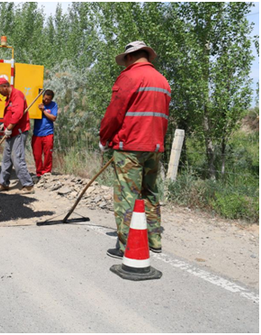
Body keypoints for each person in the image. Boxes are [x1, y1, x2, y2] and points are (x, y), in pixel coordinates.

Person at [99, 41, 171, 259]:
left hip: (130, 147)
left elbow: (114, 113)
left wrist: (104, 138)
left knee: (126, 195)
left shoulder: (130, 77)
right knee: (150, 192)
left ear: (130, 57)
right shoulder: (163, 81)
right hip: (154, 146)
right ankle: (154, 240)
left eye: (125, 61)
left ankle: (125, 246)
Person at [0, 78, 35, 194]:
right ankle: (3, 184)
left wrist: (9, 128)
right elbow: (10, 114)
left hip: (19, 132)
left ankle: (28, 185)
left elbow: (18, 114)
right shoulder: (9, 98)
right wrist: (4, 124)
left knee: (17, 158)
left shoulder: (17, 95)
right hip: (11, 131)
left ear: (5, 86)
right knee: (6, 159)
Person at [31, 89, 58, 179]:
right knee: (37, 155)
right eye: (45, 99)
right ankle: (39, 173)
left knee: (48, 154)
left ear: (51, 99)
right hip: (37, 133)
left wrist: (43, 111)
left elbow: (53, 117)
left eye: (48, 99)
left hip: (48, 133)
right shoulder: (37, 103)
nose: (46, 101)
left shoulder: (53, 105)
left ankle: (47, 172)